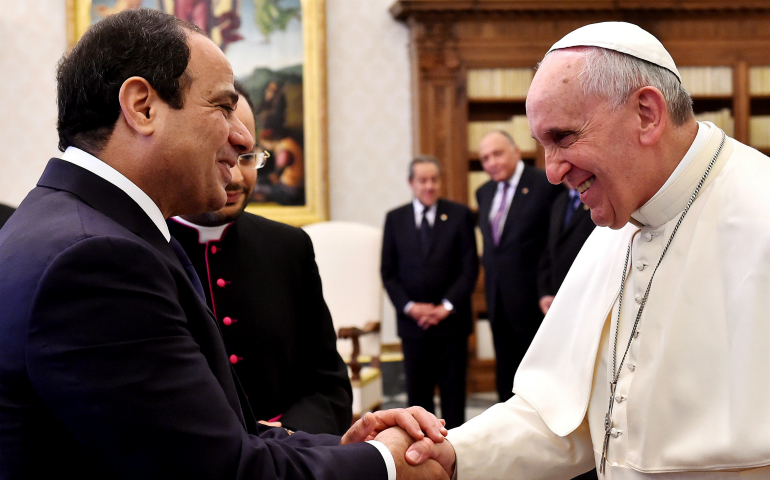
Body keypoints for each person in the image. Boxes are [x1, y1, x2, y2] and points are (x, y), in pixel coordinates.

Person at [0, 9, 449, 480]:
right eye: (222, 106)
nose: (243, 138)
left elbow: (197, 437)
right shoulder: (95, 259)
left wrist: (345, 446)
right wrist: (388, 464)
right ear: (142, 107)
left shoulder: (70, 224)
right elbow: (221, 472)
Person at [401, 21, 770, 479]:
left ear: (647, 114)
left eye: (563, 137)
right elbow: (563, 418)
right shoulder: (618, 222)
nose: (552, 173)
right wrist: (454, 453)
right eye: (541, 145)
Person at [168, 82, 352, 435]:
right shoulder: (143, 248)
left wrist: (285, 433)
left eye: (247, 156)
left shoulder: (289, 247)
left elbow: (331, 388)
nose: (236, 176)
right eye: (220, 155)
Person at [381, 156, 478, 429]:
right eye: (423, 180)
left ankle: (456, 453)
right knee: (418, 399)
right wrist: (411, 307)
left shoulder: (459, 215)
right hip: (413, 327)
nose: (429, 186)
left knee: (454, 396)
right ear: (411, 183)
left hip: (452, 324)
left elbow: (469, 269)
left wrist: (444, 308)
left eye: (434, 180)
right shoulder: (395, 219)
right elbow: (388, 273)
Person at [475, 130, 562, 402]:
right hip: (497, 298)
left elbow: (553, 244)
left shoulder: (544, 184)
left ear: (515, 151)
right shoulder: (484, 192)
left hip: (535, 299)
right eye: (485, 158)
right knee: (505, 373)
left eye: (497, 154)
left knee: (536, 379)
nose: (491, 162)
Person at [537, 187, 595, 316]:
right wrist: (546, 292)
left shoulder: (598, 199)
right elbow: (550, 249)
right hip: (559, 298)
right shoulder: (560, 201)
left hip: (588, 299)